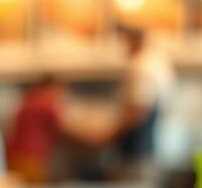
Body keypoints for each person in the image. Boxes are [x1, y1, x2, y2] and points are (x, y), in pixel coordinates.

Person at [69, 27, 175, 180]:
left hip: (136, 156)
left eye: (123, 42)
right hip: (146, 154)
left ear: (131, 41)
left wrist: (105, 137)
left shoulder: (143, 67)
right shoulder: (156, 63)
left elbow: (137, 112)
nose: (123, 49)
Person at [7, 76, 65, 184]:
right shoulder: (47, 102)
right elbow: (63, 128)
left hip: (16, 155)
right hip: (32, 158)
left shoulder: (29, 99)